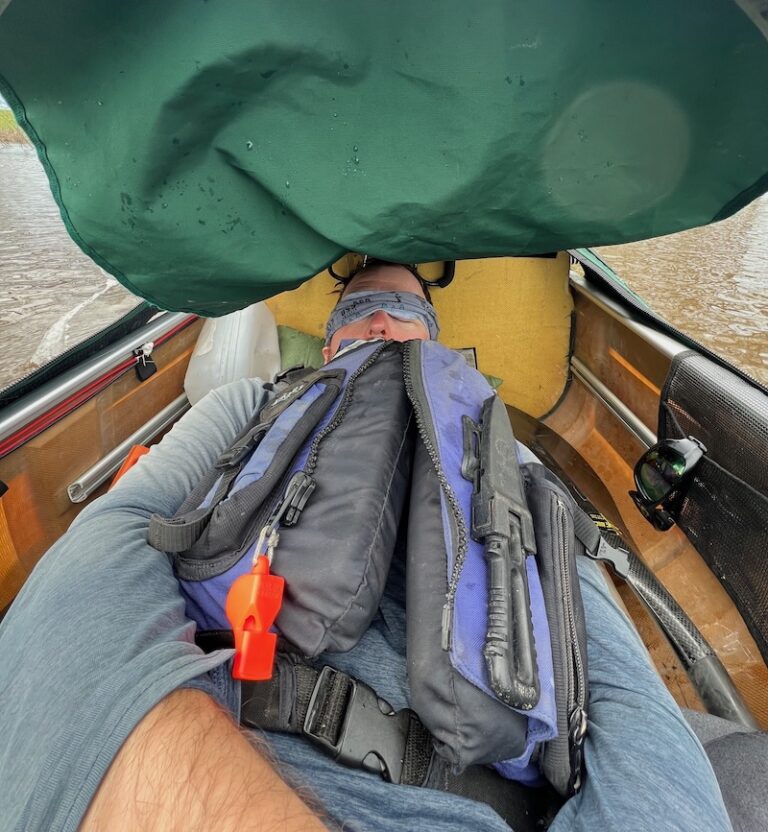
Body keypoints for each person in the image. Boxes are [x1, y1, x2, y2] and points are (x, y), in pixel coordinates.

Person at [0, 261, 742, 832]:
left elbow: (620, 694)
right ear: (328, 341)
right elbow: (105, 545)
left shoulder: (503, 451)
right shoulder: (251, 406)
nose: (382, 321)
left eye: (406, 312)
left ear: (435, 339)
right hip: (217, 745)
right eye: (359, 311)